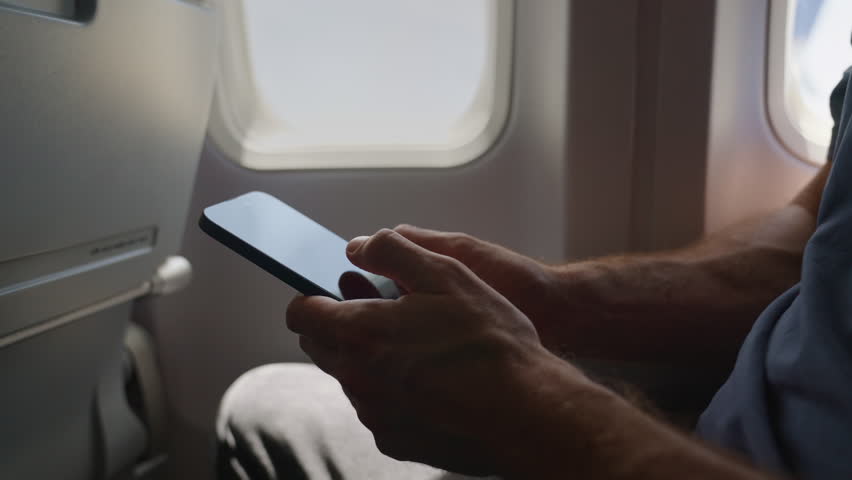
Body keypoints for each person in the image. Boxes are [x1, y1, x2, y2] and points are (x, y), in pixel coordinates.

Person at [215, 69, 852, 480]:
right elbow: (801, 249)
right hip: (713, 429)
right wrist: (557, 298)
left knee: (265, 408)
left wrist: (530, 414)